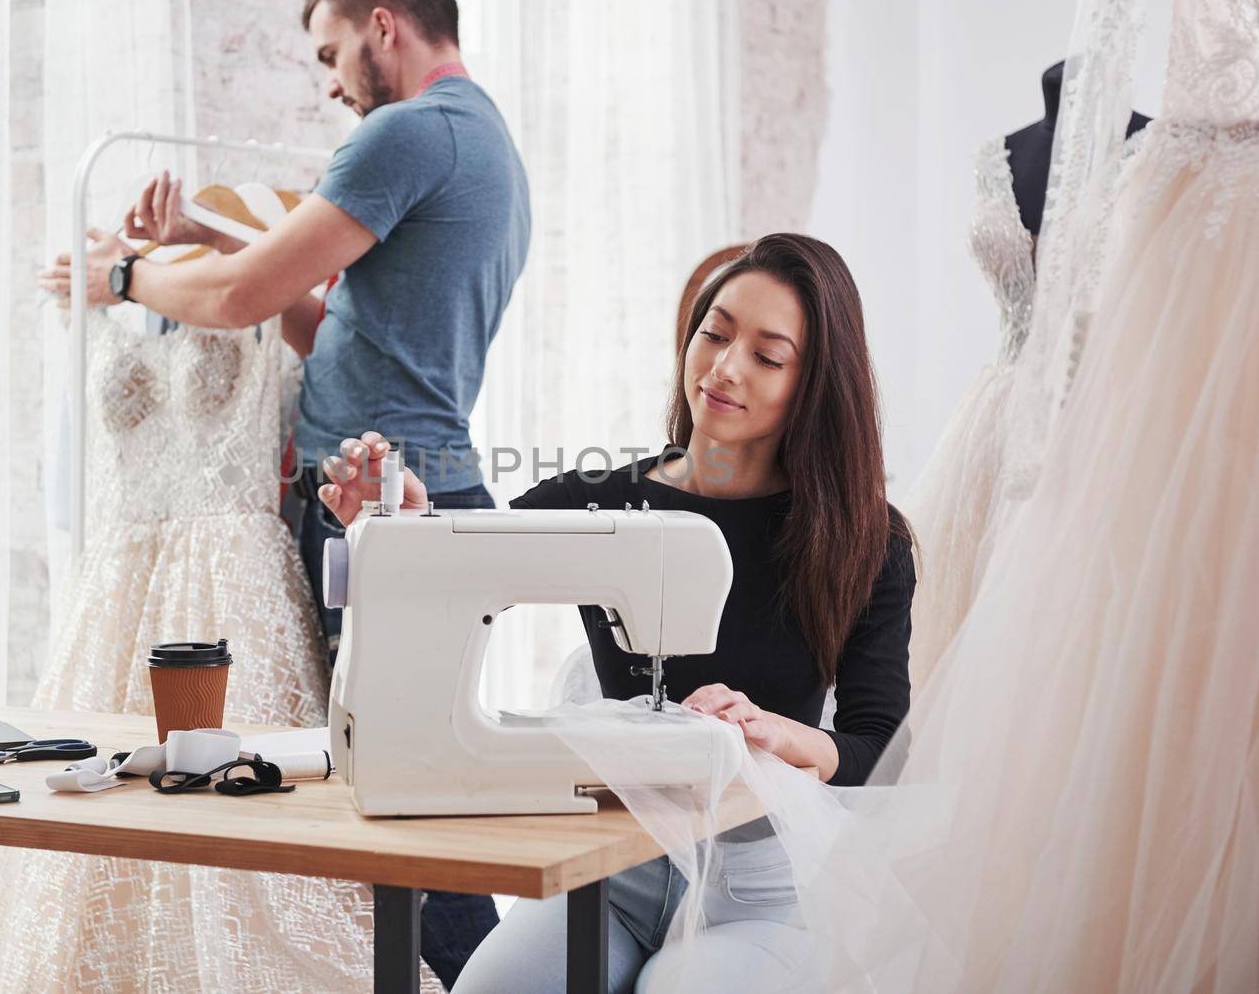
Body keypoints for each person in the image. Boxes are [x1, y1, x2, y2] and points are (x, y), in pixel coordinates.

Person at [39, 0, 531, 984]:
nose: (328, 85)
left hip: (383, 504)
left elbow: (240, 304)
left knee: (398, 807)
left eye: (327, 53)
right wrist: (209, 234)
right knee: (403, 786)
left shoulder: (406, 133)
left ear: (381, 28)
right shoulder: (483, 140)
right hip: (422, 488)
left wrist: (123, 275)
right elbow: (329, 328)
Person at [319, 234, 916, 992]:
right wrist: (397, 524)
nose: (726, 367)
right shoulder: (593, 500)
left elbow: (879, 746)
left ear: (814, 384)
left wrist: (777, 733)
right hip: (612, 865)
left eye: (767, 356)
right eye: (715, 332)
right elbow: (470, 560)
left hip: (755, 890)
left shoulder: (866, 541)